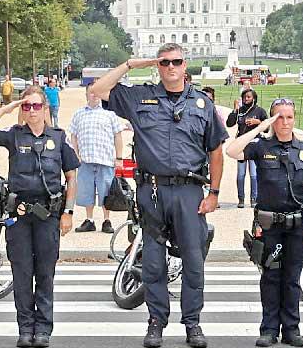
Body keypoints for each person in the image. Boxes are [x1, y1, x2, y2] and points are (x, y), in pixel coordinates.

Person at [92, 43, 227, 348]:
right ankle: (156, 322)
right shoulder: (140, 96)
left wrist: (215, 192)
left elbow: (216, 151)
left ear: (184, 64)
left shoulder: (203, 103)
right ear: (158, 65)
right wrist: (130, 64)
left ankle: (193, 323)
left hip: (190, 191)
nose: (170, 67)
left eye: (176, 61)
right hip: (152, 191)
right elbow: (98, 90)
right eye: (164, 62)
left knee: (193, 261)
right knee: (153, 263)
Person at [0, 86, 79, 348]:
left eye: (36, 106)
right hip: (19, 215)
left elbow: (72, 178)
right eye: (27, 106)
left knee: (45, 273)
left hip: (48, 214)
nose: (31, 111)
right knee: (22, 273)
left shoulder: (58, 137)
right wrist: (6, 108)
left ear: (45, 109)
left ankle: (43, 328)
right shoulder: (14, 136)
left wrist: (68, 212)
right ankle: (25, 328)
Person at [226, 98, 303, 347]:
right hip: (270, 227)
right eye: (279, 117)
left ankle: (291, 329)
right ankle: (269, 329)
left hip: (298, 226)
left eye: (289, 117)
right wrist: (261, 127)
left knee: (292, 279)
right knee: (271, 278)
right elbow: (232, 150)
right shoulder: (261, 147)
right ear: (272, 120)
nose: (285, 122)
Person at [69, 81, 125, 234]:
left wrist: (119, 158)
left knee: (106, 192)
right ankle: (89, 220)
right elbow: (73, 135)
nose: (93, 95)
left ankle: (107, 220)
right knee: (87, 192)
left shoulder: (110, 113)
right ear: (86, 94)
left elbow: (118, 136)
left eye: (96, 92)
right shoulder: (78, 113)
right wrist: (76, 154)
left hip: (105, 160)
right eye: (90, 92)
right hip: (85, 160)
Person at [227, 89, 268, 208]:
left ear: (254, 98)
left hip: (255, 145)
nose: (246, 99)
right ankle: (241, 199)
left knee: (254, 174)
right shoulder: (240, 110)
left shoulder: (259, 111)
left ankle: (254, 199)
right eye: (244, 97)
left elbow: (267, 128)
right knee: (241, 174)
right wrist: (235, 109)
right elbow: (229, 124)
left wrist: (258, 122)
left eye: (249, 97)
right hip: (241, 145)